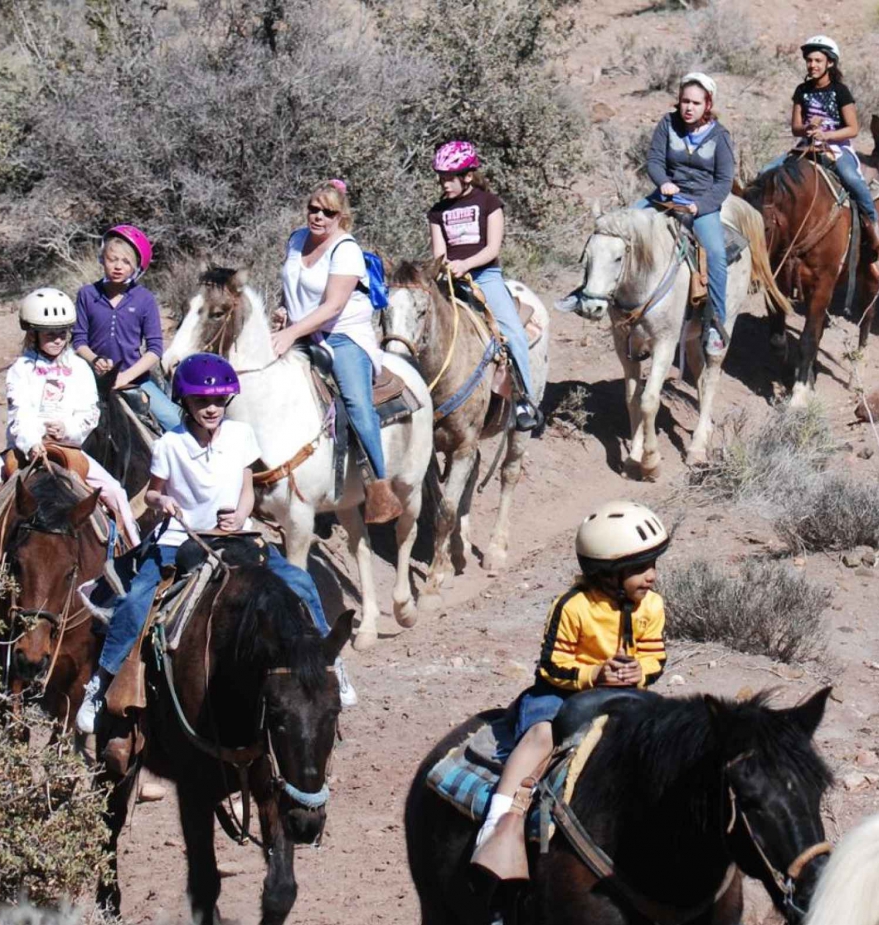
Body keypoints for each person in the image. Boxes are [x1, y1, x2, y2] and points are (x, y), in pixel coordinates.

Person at [76, 352, 354, 734]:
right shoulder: (169, 445)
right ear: (184, 403)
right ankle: (102, 681)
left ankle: (330, 662)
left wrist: (241, 516)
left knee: (302, 583)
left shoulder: (241, 435)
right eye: (201, 401)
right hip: (182, 538)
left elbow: (247, 490)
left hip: (237, 535)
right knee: (138, 600)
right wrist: (166, 502)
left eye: (219, 400)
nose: (212, 408)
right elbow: (153, 494)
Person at [470, 500, 670, 876]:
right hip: (560, 693)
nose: (652, 576)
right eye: (641, 568)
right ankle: (500, 822)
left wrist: (638, 673)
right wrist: (594, 674)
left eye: (653, 565)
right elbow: (551, 665)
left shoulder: (652, 607)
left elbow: (655, 656)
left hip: (622, 694)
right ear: (608, 573)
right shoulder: (573, 606)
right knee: (542, 736)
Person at [0, 288, 140, 594]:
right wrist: (33, 441)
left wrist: (67, 429)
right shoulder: (21, 370)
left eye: (63, 333)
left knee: (116, 493)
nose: (57, 339)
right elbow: (19, 412)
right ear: (33, 333)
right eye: (49, 334)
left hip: (69, 449)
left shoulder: (80, 369)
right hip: (27, 450)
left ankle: (134, 564)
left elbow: (89, 412)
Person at [270, 179, 400, 524]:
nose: (318, 217)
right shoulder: (297, 240)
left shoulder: (346, 250)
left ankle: (379, 486)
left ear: (341, 217)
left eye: (328, 212)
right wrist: (284, 311)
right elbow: (292, 285)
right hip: (298, 332)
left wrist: (292, 333)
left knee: (357, 403)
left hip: (340, 336)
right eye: (313, 209)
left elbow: (332, 307)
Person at [427, 143, 541, 433]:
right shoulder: (438, 211)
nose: (444, 184)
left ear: (467, 176)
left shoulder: (489, 203)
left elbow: (492, 248)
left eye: (449, 178)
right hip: (450, 277)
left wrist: (465, 265)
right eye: (441, 178)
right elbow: (439, 251)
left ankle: (523, 400)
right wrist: (441, 268)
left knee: (512, 331)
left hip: (484, 275)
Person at [763, 36, 879, 271]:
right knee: (767, 172)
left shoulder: (840, 91)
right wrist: (809, 129)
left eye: (818, 60)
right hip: (806, 146)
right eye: (809, 60)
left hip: (836, 148)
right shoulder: (802, 90)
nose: (813, 65)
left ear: (830, 63)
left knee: (852, 179)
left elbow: (853, 128)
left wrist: (827, 135)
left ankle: (873, 226)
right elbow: (795, 127)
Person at [637, 72, 736, 358]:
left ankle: (716, 322)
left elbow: (724, 182)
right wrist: (663, 182)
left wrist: (701, 206)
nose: (688, 108)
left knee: (716, 254)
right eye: (684, 101)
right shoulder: (668, 124)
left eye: (695, 102)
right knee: (622, 225)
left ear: (708, 104)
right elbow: (654, 160)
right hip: (666, 198)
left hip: (700, 204)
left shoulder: (720, 136)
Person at [73, 225, 184, 433]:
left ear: (136, 267)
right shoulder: (87, 294)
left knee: (175, 421)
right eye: (112, 259)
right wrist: (95, 360)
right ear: (102, 260)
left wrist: (125, 377)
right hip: (92, 379)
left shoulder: (145, 298)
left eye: (126, 262)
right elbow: (79, 341)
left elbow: (154, 349)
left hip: (135, 380)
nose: (118, 267)